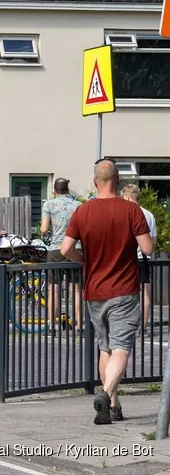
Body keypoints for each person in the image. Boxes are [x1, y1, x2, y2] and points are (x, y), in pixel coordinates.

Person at [60, 159, 153, 425]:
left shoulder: (82, 212)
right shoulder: (131, 211)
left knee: (105, 348)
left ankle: (112, 405)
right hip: (123, 289)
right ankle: (106, 393)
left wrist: (85, 260)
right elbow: (146, 249)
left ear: (94, 182)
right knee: (121, 347)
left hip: (94, 289)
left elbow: (66, 249)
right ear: (118, 181)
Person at [41, 177, 83, 333]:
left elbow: (44, 229)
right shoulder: (78, 205)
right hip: (75, 248)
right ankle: (79, 324)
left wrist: (49, 236)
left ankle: (52, 324)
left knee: (54, 288)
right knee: (76, 289)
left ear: (55, 190)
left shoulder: (49, 204)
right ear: (67, 189)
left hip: (56, 249)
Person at [121, 184, 157, 335]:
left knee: (123, 293)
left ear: (127, 197)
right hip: (143, 257)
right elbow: (153, 240)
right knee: (145, 293)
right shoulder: (148, 214)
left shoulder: (123, 212)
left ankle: (124, 325)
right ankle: (143, 326)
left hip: (125, 258)